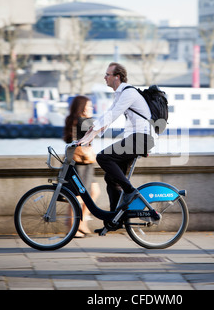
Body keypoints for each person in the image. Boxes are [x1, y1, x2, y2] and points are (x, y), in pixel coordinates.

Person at [78, 62, 155, 216]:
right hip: (136, 138)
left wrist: (89, 137)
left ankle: (130, 191)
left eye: (108, 74)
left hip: (142, 138)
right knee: (111, 178)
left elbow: (113, 115)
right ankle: (115, 219)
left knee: (103, 157)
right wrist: (87, 137)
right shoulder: (120, 94)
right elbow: (108, 115)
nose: (105, 77)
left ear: (117, 77)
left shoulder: (129, 93)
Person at [64, 95, 100, 237]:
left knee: (93, 192)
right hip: (80, 163)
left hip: (84, 162)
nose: (91, 108)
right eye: (88, 106)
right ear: (82, 108)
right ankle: (72, 227)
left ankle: (81, 222)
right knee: (78, 196)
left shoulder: (74, 121)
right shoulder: (82, 121)